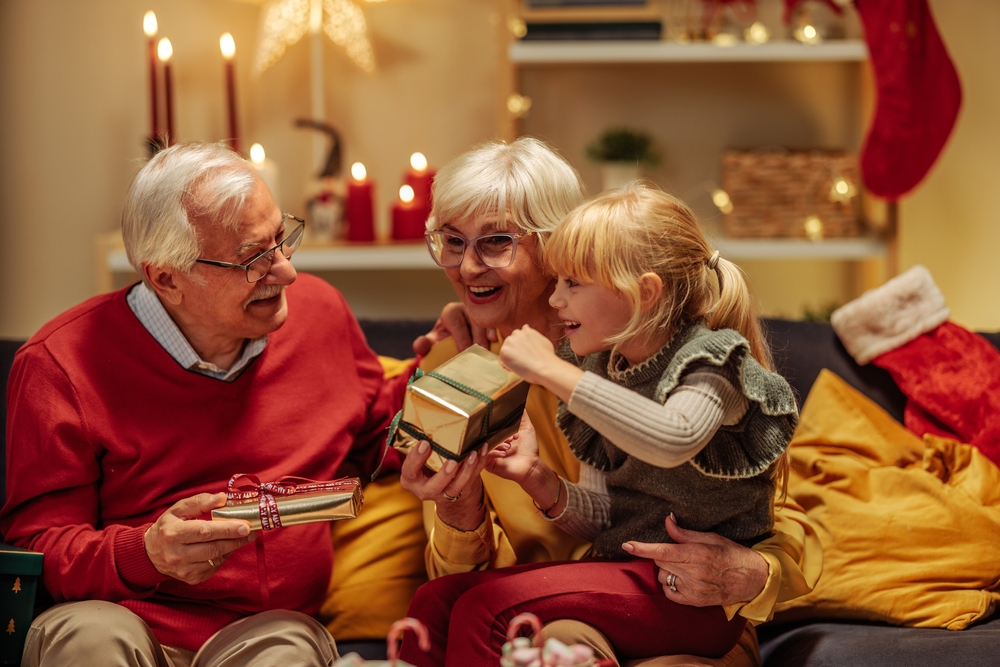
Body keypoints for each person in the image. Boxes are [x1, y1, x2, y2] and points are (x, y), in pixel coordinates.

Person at [399, 137, 822, 667]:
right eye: (451, 242)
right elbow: (467, 580)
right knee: (461, 615)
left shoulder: (645, 347)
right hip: (547, 613)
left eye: (495, 243)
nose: (466, 268)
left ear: (556, 246)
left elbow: (778, 508)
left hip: (675, 607)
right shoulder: (447, 364)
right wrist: (459, 504)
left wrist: (752, 574)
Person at [0, 142, 413, 667]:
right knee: (91, 642)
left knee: (286, 650)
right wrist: (144, 554)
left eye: (281, 241)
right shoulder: (59, 363)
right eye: (252, 261)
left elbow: (382, 436)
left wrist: (452, 360)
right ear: (166, 278)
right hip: (114, 615)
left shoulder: (321, 313)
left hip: (267, 630)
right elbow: (38, 549)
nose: (285, 273)